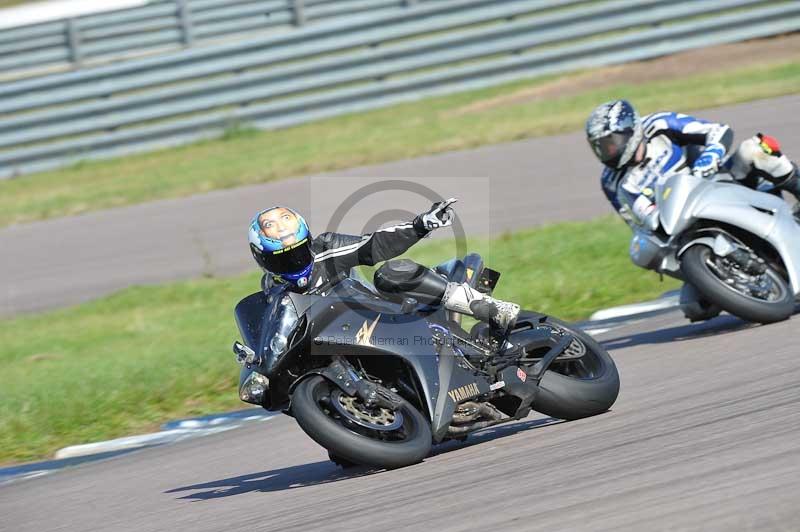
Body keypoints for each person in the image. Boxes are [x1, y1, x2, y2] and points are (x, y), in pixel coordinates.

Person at [248, 200, 520, 332]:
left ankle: (491, 308)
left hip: (387, 315)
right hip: (342, 340)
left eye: (298, 253)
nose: (294, 263)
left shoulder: (326, 250)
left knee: (388, 273)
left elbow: (373, 245)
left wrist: (419, 225)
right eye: (283, 259)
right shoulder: (273, 291)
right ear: (263, 260)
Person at [585, 99, 800, 228]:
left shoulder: (659, 124)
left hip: (721, 182)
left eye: (610, 144)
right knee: (695, 304)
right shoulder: (612, 183)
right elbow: (636, 226)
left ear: (628, 130)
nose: (607, 152)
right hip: (684, 225)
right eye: (600, 148)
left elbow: (718, 130)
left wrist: (711, 155)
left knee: (755, 149)